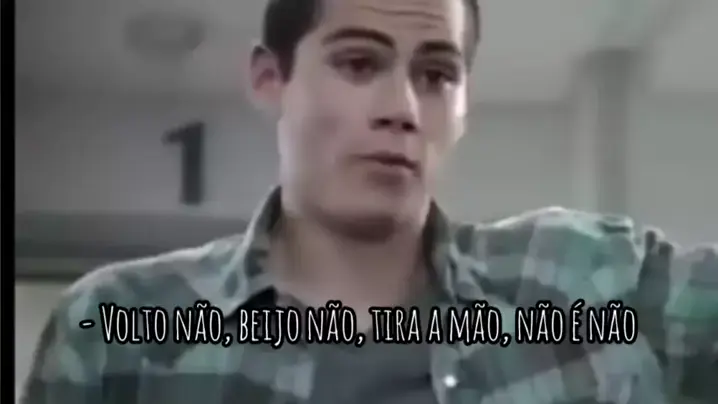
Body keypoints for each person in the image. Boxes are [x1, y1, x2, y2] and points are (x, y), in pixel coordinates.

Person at [22, 0, 717, 403]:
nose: (402, 109)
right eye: (358, 63)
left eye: (437, 75)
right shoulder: (119, 333)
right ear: (270, 79)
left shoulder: (589, 278)